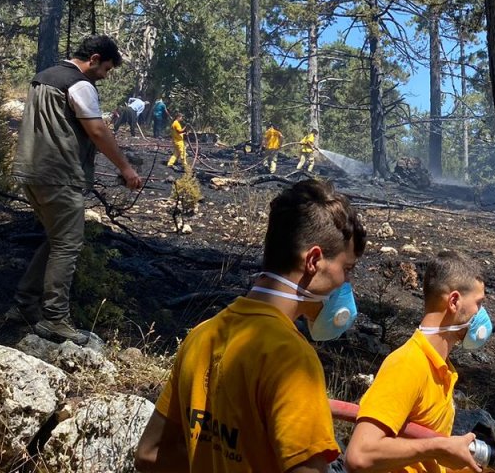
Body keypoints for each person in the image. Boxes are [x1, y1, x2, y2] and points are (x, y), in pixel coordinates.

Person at [134, 179, 368, 473]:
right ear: (313, 260)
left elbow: (149, 453)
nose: (346, 283)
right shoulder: (291, 357)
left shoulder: (202, 335)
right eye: (346, 269)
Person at [9, 35, 144, 345]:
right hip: (60, 175)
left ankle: (24, 304)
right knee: (68, 245)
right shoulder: (79, 84)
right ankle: (54, 318)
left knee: (56, 239)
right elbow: (97, 130)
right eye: (106, 69)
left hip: (31, 172)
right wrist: (126, 168)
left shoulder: (43, 77)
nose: (105, 75)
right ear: (94, 59)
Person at [345, 252, 489, 473]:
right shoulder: (408, 364)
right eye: (479, 303)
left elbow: (429, 462)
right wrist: (437, 447)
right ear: (454, 302)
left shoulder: (442, 370)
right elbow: (359, 455)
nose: (482, 313)